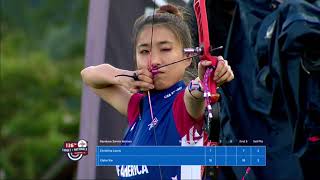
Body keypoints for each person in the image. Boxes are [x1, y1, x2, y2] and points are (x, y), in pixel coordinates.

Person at [81, 4, 234, 180]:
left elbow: (195, 94)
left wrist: (206, 80)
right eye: (144, 51)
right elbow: (89, 76)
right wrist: (125, 76)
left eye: (165, 49)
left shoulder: (182, 104)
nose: (153, 60)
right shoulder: (137, 106)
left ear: (187, 57)